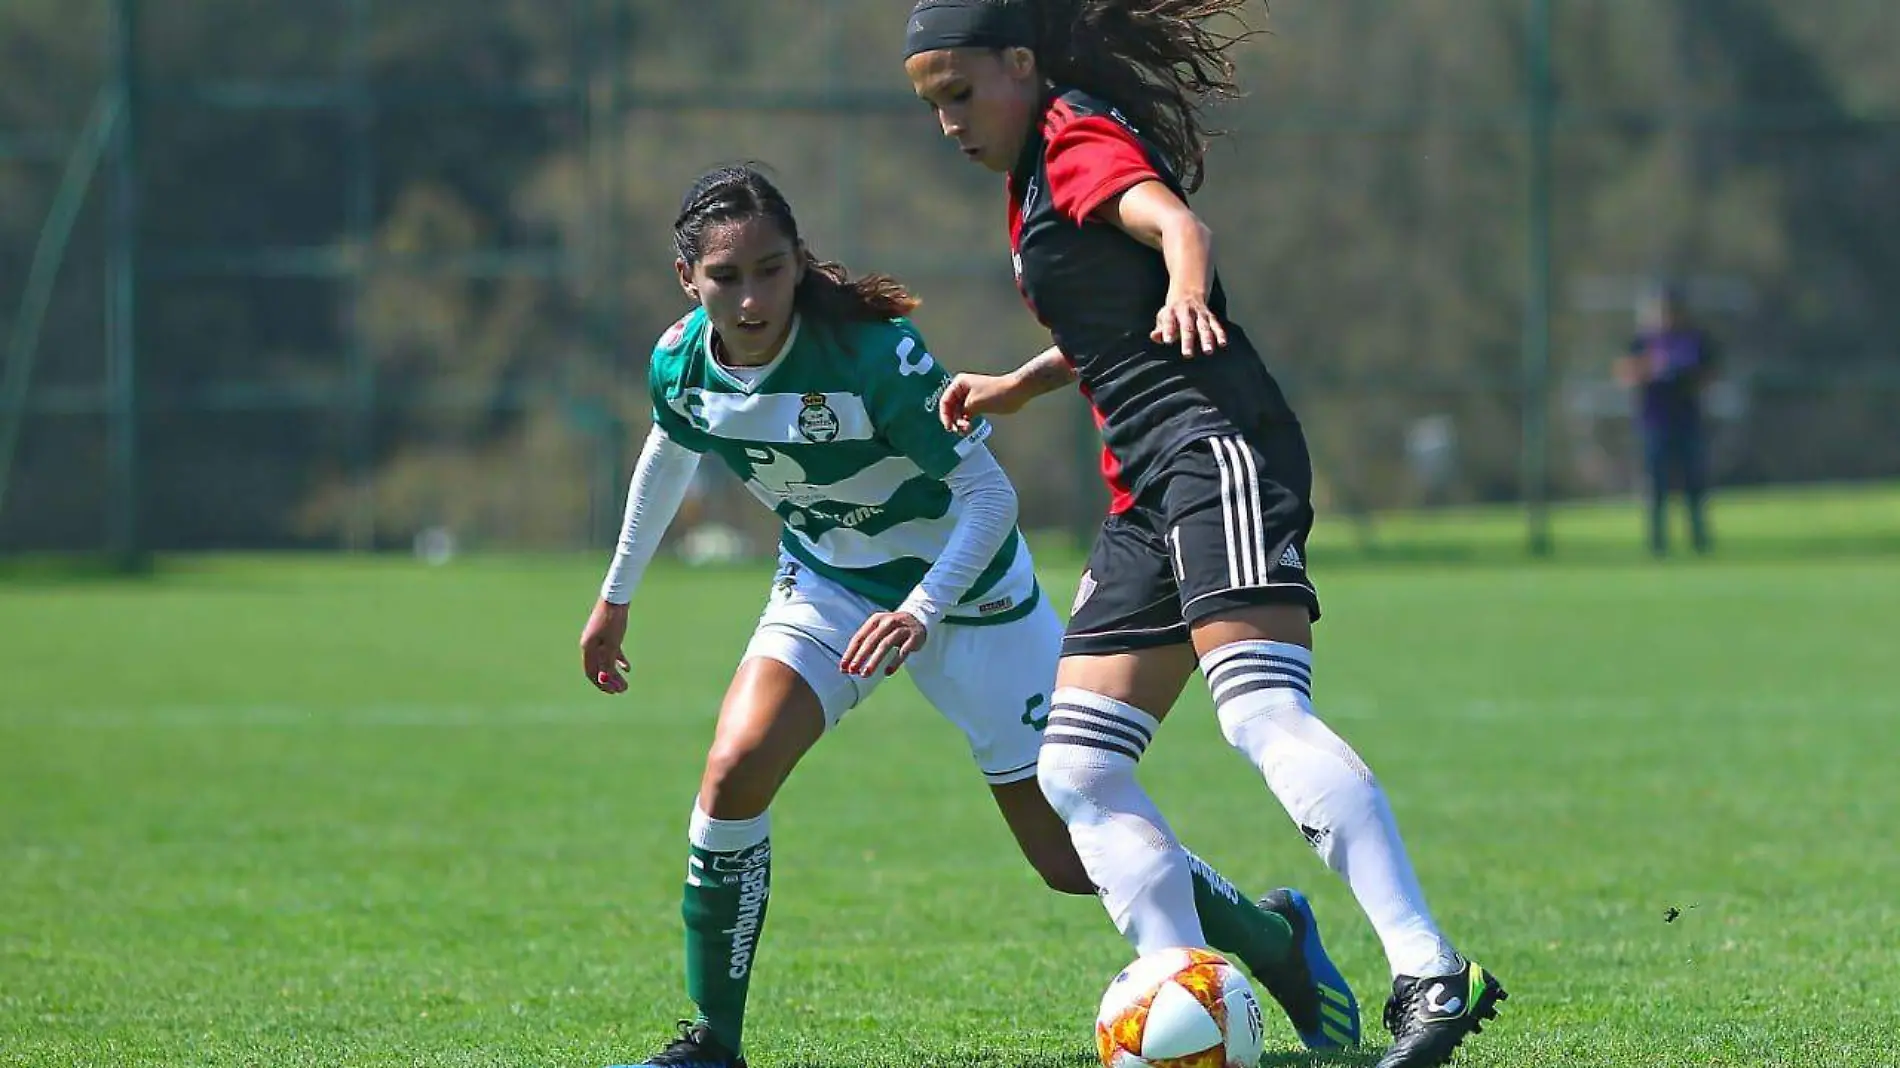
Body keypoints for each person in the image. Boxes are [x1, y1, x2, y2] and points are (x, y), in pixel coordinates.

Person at [579, 163, 1358, 1068]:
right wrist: (614, 597)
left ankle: (1274, 942)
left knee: (1072, 859)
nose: (751, 297)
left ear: (799, 263)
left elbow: (990, 497)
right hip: (831, 585)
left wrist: (921, 609)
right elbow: (670, 451)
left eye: (770, 269)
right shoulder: (679, 362)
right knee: (733, 773)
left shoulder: (874, 357)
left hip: (974, 594)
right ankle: (716, 1042)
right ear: (689, 279)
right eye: (726, 277)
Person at [901, 3, 1506, 1067]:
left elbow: (1176, 228)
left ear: (1020, 65)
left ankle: (1428, 969)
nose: (948, 120)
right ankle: (1191, 998)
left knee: (1260, 713)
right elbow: (1108, 323)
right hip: (1142, 490)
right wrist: (1019, 384)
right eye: (930, 103)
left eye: (961, 92)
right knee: (1077, 770)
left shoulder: (1073, 136)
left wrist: (1187, 287)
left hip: (1212, 447)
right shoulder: (1032, 179)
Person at [1616, 284, 1716, 556]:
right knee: (1655, 485)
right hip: (1654, 422)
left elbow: (1710, 375)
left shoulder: (1695, 340)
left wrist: (1686, 376)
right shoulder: (1641, 341)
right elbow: (1624, 374)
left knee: (1694, 483)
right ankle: (1657, 543)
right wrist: (1652, 368)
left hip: (1687, 421)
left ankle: (1700, 540)